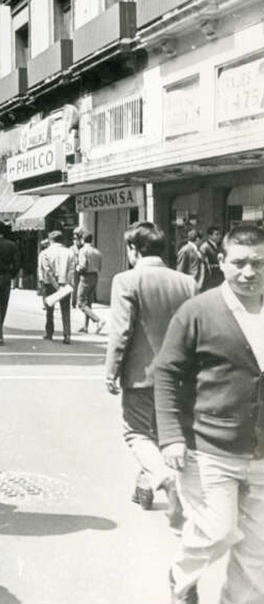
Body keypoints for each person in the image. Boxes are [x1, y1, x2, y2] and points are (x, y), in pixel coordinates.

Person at [153, 223, 264, 604]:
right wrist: (169, 436)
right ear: (221, 261)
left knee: (258, 552)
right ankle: (181, 578)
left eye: (259, 263)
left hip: (262, 453)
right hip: (209, 447)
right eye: (240, 263)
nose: (249, 272)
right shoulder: (198, 310)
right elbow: (167, 372)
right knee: (216, 531)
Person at [104, 222, 195, 530]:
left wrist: (111, 371)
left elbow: (121, 331)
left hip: (142, 374)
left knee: (136, 433)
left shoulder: (126, 280)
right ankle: (144, 488)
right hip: (181, 374)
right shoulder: (187, 283)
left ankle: (163, 477)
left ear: (134, 249)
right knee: (163, 433)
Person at [37, 230, 75, 344]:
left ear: (50, 240)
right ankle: (67, 334)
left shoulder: (44, 253)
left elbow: (47, 271)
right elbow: (72, 270)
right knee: (66, 309)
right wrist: (65, 284)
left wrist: (55, 285)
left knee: (49, 310)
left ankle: (49, 333)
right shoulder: (70, 252)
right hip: (65, 284)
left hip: (50, 284)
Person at [76, 232, 105, 333]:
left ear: (83, 240)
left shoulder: (83, 250)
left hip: (85, 277)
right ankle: (85, 326)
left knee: (80, 302)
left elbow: (83, 266)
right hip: (95, 277)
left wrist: (77, 268)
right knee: (88, 302)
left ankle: (97, 320)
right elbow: (100, 268)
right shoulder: (97, 252)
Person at [199, 225, 224, 291]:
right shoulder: (205, 247)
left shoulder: (218, 246)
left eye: (219, 234)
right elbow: (203, 263)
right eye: (216, 234)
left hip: (218, 276)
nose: (219, 236)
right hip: (210, 277)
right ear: (210, 236)